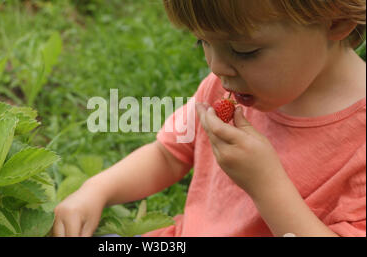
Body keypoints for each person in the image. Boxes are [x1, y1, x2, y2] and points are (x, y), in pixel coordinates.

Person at [53, 0, 366, 237]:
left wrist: (267, 185)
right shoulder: (225, 89)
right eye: (202, 42)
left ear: (336, 21)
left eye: (244, 50)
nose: (216, 66)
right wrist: (96, 190)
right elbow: (168, 154)